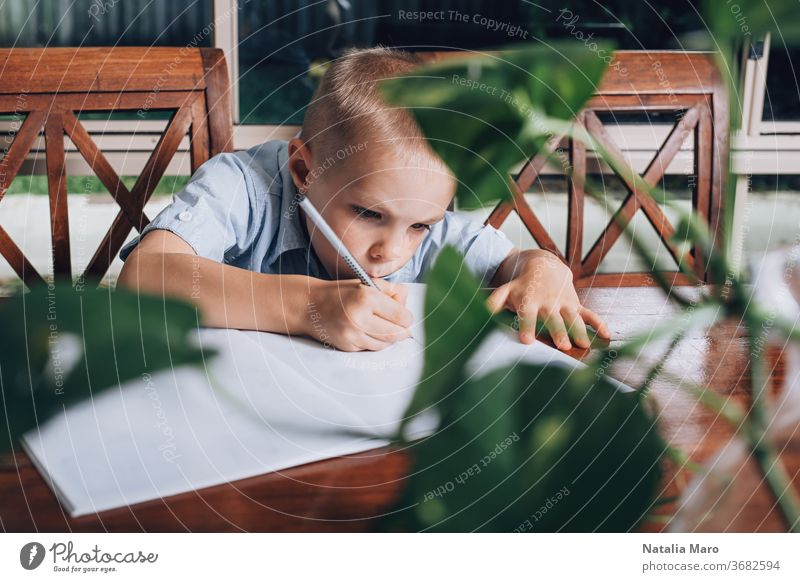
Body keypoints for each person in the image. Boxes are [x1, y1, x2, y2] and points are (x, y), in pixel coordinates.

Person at [117, 47, 610, 352]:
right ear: (304, 170)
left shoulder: (422, 216)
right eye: (370, 213)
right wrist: (307, 306)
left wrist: (546, 271)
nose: (391, 252)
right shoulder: (243, 185)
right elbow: (146, 275)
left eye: (420, 226)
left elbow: (515, 262)